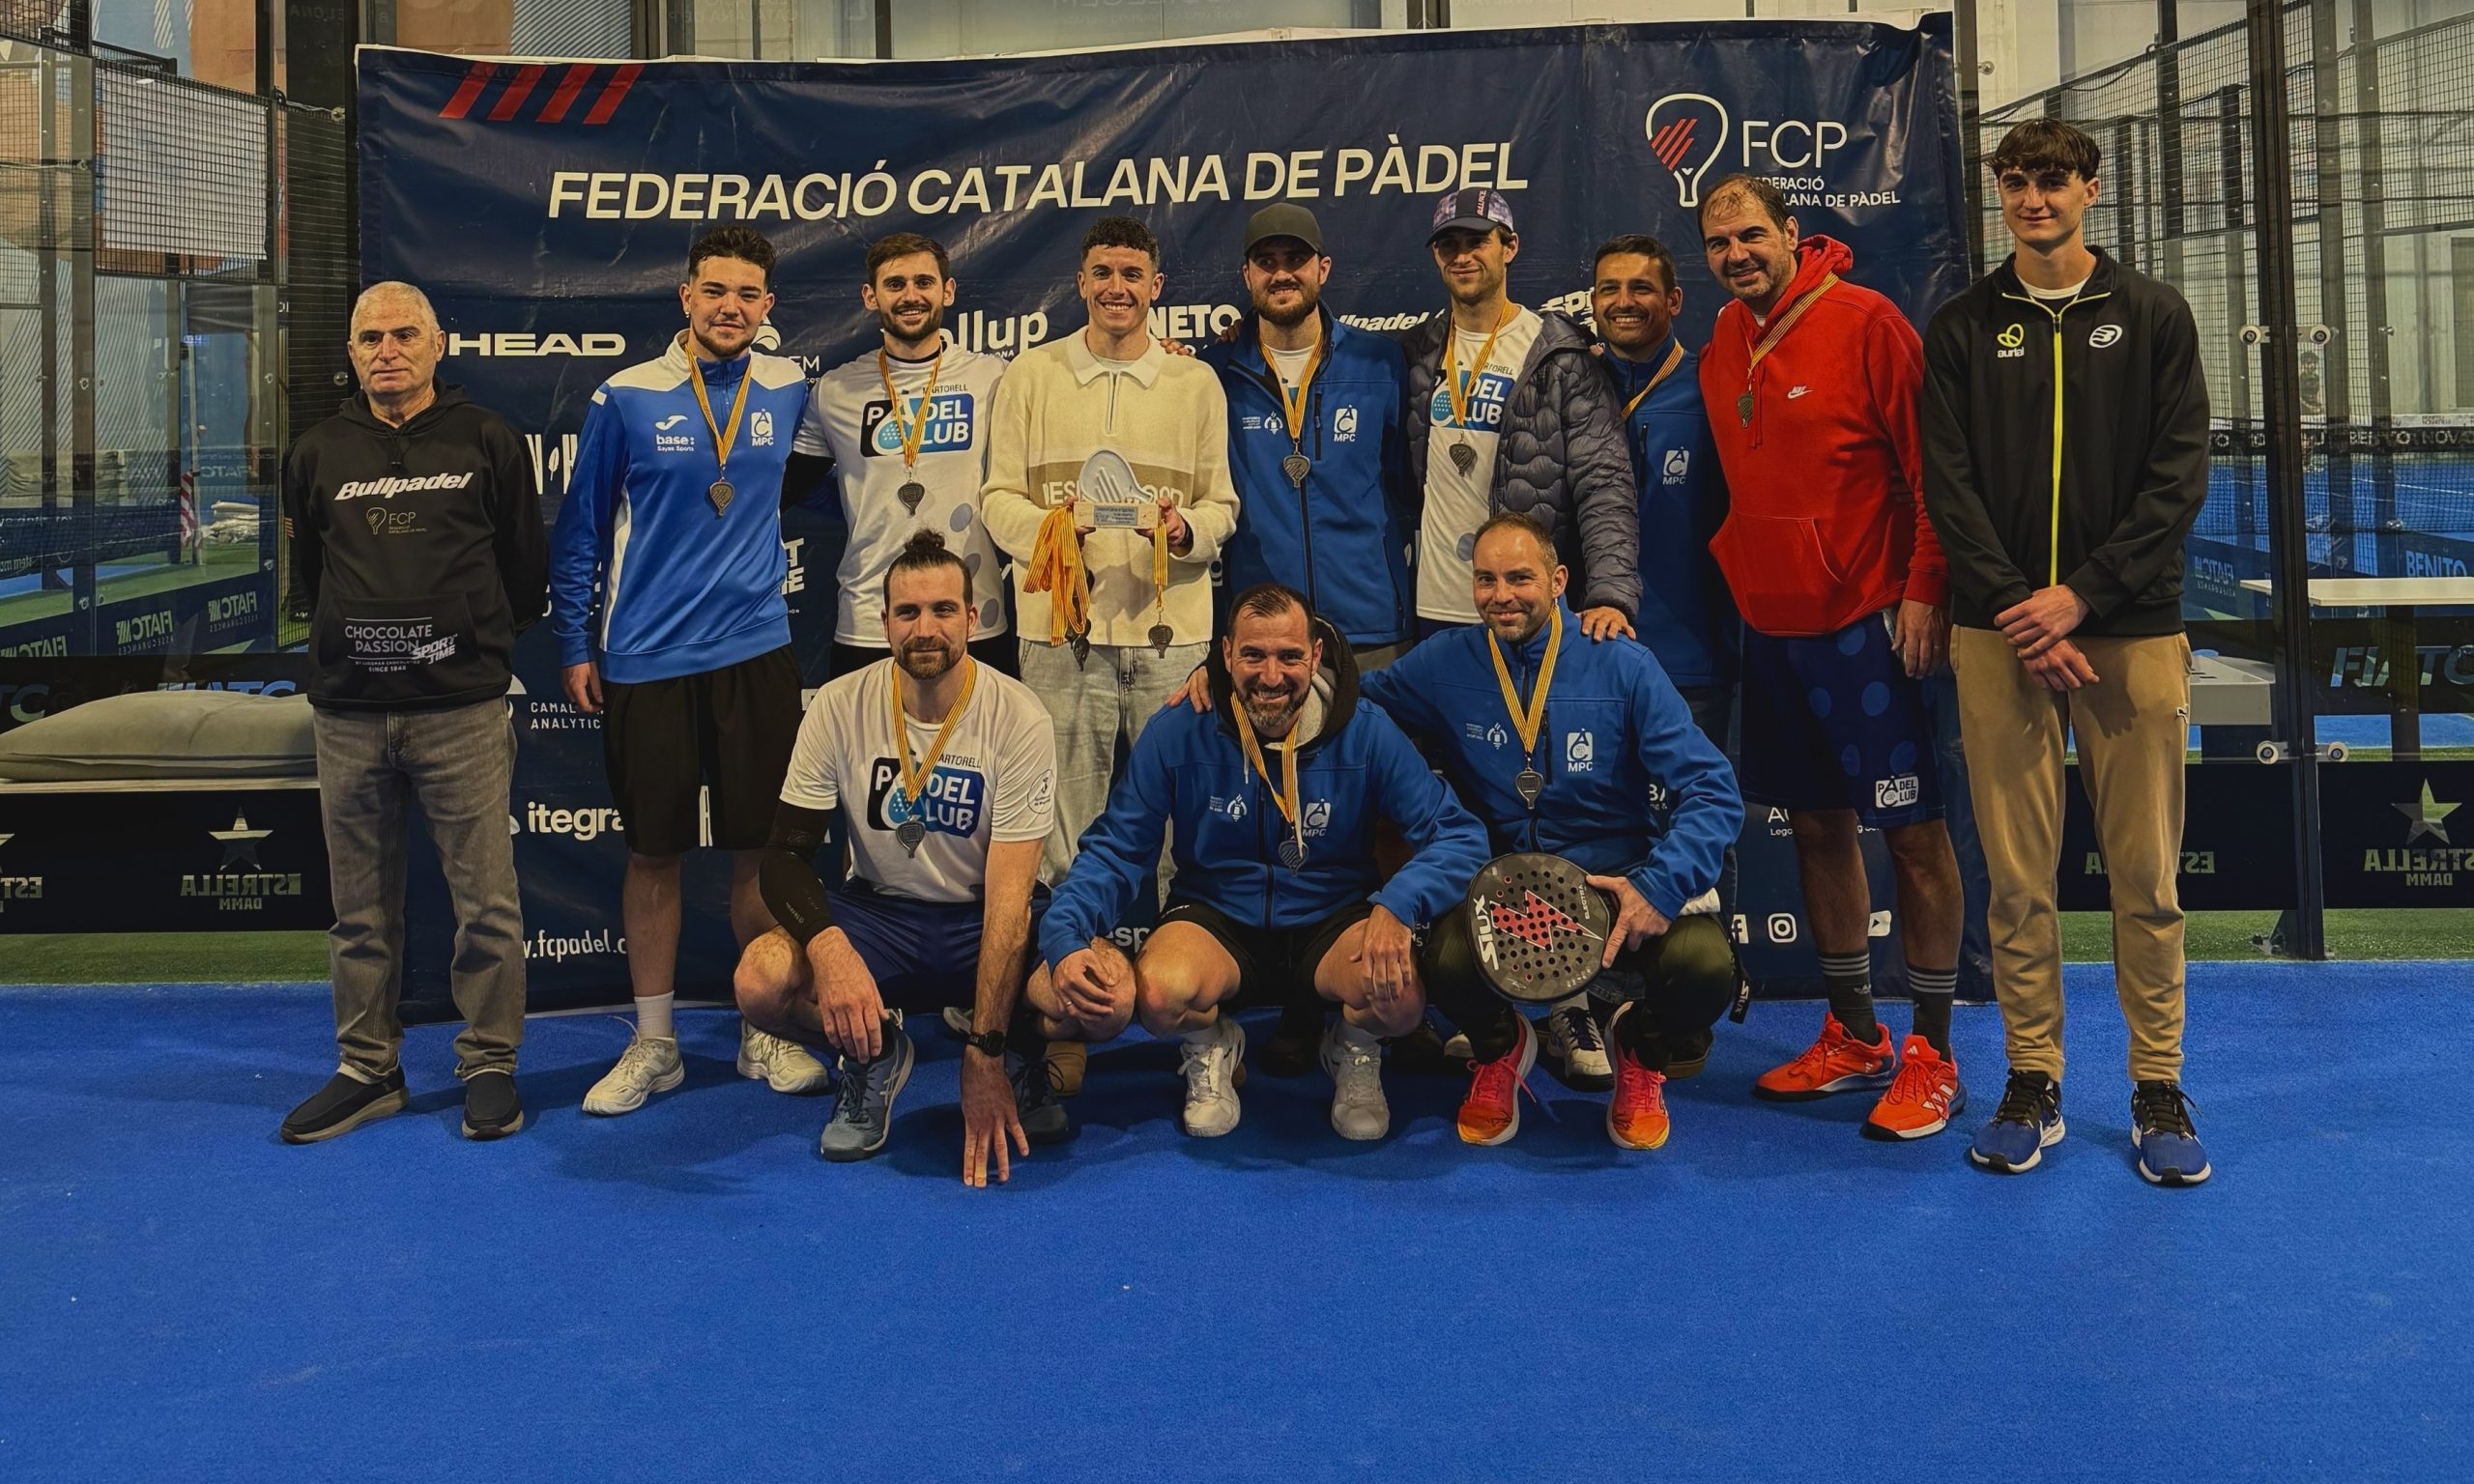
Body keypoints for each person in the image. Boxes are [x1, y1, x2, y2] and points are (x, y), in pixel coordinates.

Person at [1920, 119, 2213, 1184]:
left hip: (2130, 630)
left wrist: (2082, 597)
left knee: (2145, 876)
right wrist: (2016, 607)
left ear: (2091, 189)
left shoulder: (2155, 315)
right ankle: (2032, 1077)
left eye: (2051, 180)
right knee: (2017, 881)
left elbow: (2178, 477)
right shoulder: (1962, 326)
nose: (2032, 198)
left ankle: (2156, 1084)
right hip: (1999, 635)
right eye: (2014, 181)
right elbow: (1946, 484)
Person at [1694, 173, 1968, 1141]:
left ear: (1791, 232)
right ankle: (1855, 1035)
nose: (1736, 254)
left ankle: (1932, 1051)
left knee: (1914, 838)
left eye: (1750, 235)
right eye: (1718, 242)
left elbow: (1934, 472)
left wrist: (1924, 588)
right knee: (1815, 830)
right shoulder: (1724, 335)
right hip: (1772, 630)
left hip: (1868, 625)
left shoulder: (1867, 322)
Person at [1031, 584, 1490, 1141]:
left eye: (1289, 656)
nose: (1271, 676)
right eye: (1253, 655)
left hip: (1333, 918)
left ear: (1315, 656)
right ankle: (1211, 1044)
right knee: (1158, 995)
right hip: (1218, 919)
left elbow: (1459, 836)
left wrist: (1398, 905)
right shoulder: (1179, 729)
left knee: (1401, 997)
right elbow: (1117, 850)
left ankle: (1354, 1047)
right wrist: (1066, 932)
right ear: (1226, 654)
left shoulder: (1366, 732)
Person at [551, 224, 830, 1115]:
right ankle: (656, 1043)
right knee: (653, 853)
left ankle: (763, 1027)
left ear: (768, 306)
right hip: (646, 658)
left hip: (755, 650)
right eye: (715, 290)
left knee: (761, 853)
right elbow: (581, 529)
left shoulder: (789, 386)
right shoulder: (626, 395)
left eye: (748, 294)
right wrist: (573, 644)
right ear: (686, 296)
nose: (730, 308)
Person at [1361, 514, 1741, 1148]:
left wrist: (1658, 887)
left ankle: (1639, 1052)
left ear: (1559, 580)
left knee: (1704, 968)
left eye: (1520, 578)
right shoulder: (1445, 661)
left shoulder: (1620, 663)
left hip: (1613, 884)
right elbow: (1351, 699)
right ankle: (1501, 1048)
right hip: (1501, 888)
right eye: (1486, 580)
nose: (1501, 596)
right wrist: (1226, 679)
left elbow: (1713, 789)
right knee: (1446, 960)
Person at [277, 280, 544, 1145]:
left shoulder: (488, 440)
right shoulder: (315, 451)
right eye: (370, 339)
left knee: (486, 905)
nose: (386, 351)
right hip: (349, 713)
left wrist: (462, 641)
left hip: (460, 710)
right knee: (358, 911)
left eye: (403, 335)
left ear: (437, 346)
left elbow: (524, 573)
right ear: (351, 354)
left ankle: (490, 1061)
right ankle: (368, 1068)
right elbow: (312, 581)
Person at [733, 530, 1066, 1182]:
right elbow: (783, 860)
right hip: (881, 918)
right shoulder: (838, 705)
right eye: (908, 613)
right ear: (883, 623)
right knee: (760, 982)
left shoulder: (1019, 715)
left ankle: (1020, 1054)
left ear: (972, 619)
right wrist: (829, 950)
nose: (926, 629)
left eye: (943, 610)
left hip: (980, 916)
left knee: (1090, 995)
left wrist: (985, 1053)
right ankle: (875, 1054)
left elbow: (1009, 903)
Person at [1198, 201, 1419, 1078]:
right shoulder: (1213, 373)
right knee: (1282, 813)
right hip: (1266, 639)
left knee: (1382, 821)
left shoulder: (1379, 361)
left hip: (1370, 630)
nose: (1282, 273)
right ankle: (1300, 999)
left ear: (1325, 270)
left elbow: (1407, 485)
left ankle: (1382, 997)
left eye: (1298, 259)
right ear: (1247, 276)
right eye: (1267, 261)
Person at [979, 214, 1241, 887]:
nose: (1115, 287)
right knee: (1058, 832)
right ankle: (1066, 947)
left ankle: (1180, 947)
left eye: (1131, 274)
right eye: (1102, 273)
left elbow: (1222, 507)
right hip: (1059, 636)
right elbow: (998, 499)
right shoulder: (1031, 374)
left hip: (1172, 639)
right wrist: (1055, 531)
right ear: (1080, 282)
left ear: (1156, 285)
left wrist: (1182, 532)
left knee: (1184, 827)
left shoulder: (1195, 383)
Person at [1577, 230, 1740, 1090]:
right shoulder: (1575, 384)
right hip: (1593, 659)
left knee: (1695, 827)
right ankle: (1590, 996)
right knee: (1597, 822)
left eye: (1642, 288)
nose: (1624, 302)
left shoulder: (1709, 386)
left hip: (1691, 654)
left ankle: (1687, 1004)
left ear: (1675, 301)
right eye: (1609, 289)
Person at [1401, 187, 1637, 642]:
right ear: (1435, 255)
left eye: (1477, 242)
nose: (1462, 257)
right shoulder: (1414, 352)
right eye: (1449, 245)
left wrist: (1610, 594)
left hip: (1523, 606)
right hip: (1433, 604)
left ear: (1509, 247)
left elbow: (1604, 483)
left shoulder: (1559, 355)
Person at [791, 232, 1013, 680]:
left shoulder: (994, 378)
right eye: (895, 284)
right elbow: (786, 485)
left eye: (923, 282)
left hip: (974, 617)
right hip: (870, 621)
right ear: (870, 296)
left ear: (947, 291)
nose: (911, 296)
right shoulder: (835, 391)